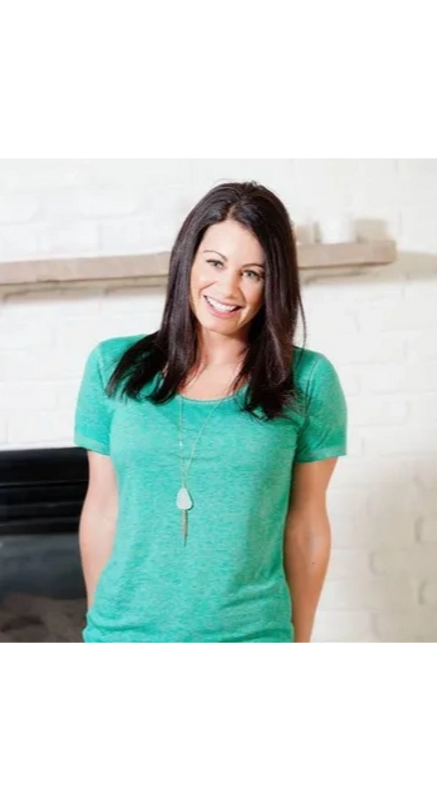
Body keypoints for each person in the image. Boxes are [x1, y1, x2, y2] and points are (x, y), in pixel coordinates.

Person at [74, 181, 347, 646]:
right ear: (188, 260)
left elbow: (305, 527)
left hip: (251, 634)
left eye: (252, 273)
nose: (227, 288)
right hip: (124, 634)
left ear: (273, 284)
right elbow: (103, 509)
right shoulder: (113, 366)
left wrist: (298, 640)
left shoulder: (308, 379)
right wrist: (103, 626)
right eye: (215, 263)